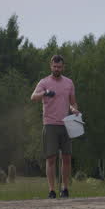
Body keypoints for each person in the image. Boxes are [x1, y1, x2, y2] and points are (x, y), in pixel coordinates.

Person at [30, 54, 80, 198]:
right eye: (54, 66)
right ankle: (51, 190)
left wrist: (74, 109)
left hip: (66, 123)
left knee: (67, 158)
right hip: (50, 124)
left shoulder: (69, 83)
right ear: (50, 66)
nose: (57, 69)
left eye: (59, 67)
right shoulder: (44, 82)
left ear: (63, 67)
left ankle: (65, 189)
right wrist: (45, 93)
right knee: (51, 158)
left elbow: (73, 102)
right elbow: (33, 97)